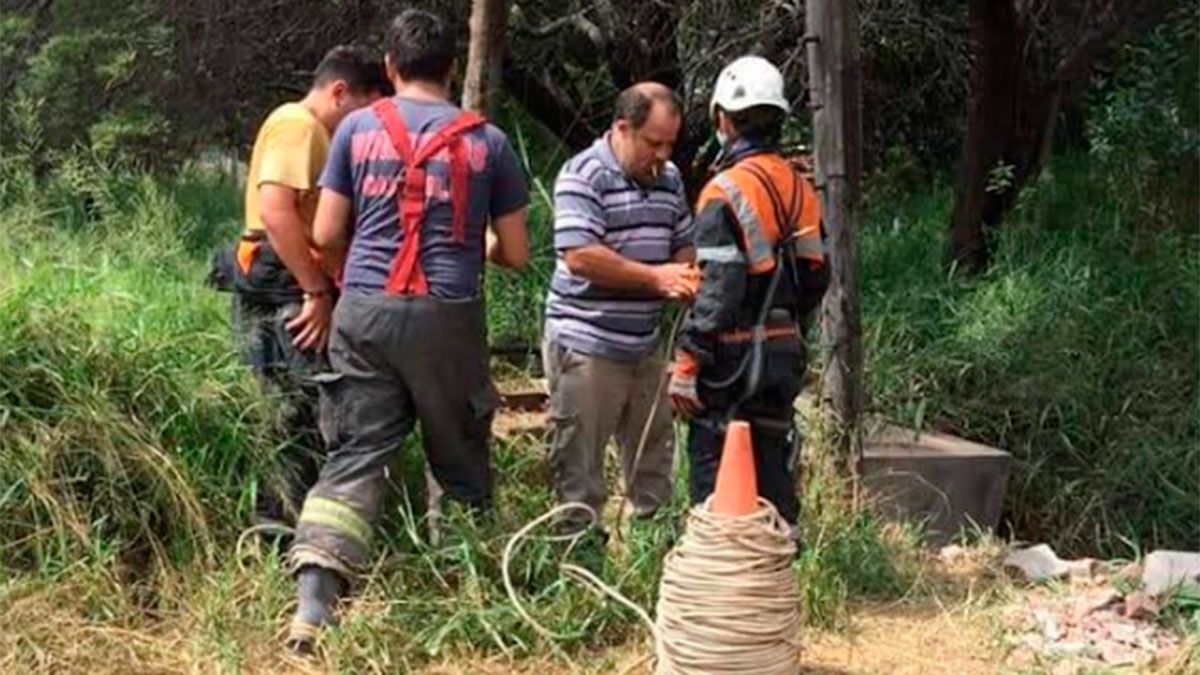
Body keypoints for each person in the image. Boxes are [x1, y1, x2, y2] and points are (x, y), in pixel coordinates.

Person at [284, 9, 530, 651]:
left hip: (364, 310)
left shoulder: (357, 129)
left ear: (389, 68)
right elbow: (517, 252)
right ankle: (465, 598)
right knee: (461, 459)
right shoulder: (490, 143)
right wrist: (471, 237)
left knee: (354, 456)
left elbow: (325, 233)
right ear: (452, 69)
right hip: (448, 318)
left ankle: (313, 605)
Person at [229, 46, 389, 532]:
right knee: (297, 411)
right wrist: (315, 292)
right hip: (284, 287)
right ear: (341, 93)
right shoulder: (299, 126)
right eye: (365, 109)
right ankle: (288, 532)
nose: (364, 126)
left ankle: (288, 527)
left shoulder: (313, 132)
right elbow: (276, 212)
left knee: (293, 413)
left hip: (290, 280)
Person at [668, 56, 828, 529]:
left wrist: (688, 361)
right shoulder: (799, 187)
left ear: (722, 119)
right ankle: (782, 571)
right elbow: (817, 275)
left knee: (716, 474)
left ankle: (718, 578)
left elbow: (720, 288)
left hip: (732, 363)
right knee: (773, 468)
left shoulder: (724, 190)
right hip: (782, 355)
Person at [542, 82, 697, 537]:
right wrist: (656, 278)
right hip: (588, 343)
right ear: (622, 129)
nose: (664, 154)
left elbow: (682, 239)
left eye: (670, 143)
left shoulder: (668, 179)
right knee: (579, 469)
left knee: (653, 460)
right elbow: (580, 255)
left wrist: (686, 271)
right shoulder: (583, 174)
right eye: (654, 142)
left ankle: (654, 557)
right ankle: (579, 567)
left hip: (643, 345)